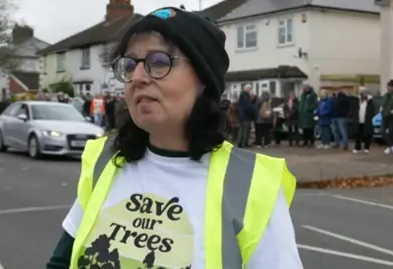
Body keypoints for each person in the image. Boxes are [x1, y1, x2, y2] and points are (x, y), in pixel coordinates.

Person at [46, 7, 302, 269]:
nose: (137, 78)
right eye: (129, 65)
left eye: (158, 62)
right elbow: (60, 263)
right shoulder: (106, 161)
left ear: (204, 80)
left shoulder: (251, 184)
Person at [352, 88, 375, 153]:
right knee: (358, 134)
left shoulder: (370, 101)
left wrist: (369, 117)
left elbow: (372, 110)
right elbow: (354, 108)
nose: (365, 94)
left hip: (366, 120)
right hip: (358, 119)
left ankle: (366, 147)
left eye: (366, 93)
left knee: (367, 134)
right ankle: (357, 147)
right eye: (364, 92)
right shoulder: (357, 101)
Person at [381, 80, 393, 154]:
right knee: (383, 131)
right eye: (388, 86)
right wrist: (381, 108)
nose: (389, 88)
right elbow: (383, 104)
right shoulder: (386, 95)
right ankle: (391, 146)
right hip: (384, 115)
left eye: (390, 87)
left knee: (391, 132)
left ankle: (390, 147)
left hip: (392, 116)